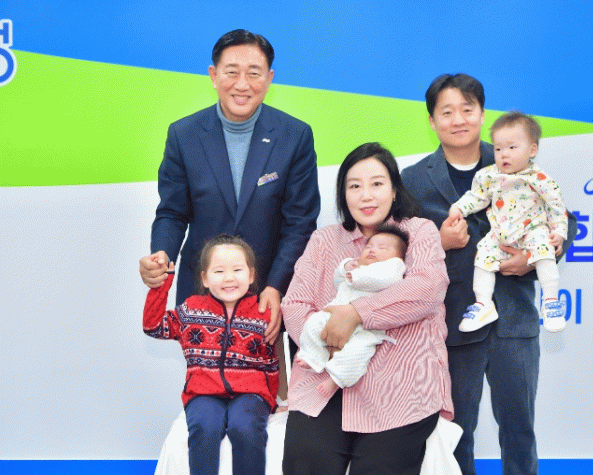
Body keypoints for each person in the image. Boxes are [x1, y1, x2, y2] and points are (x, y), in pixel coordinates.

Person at [401, 74, 578, 475]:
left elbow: (563, 219)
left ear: (482, 114)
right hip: (452, 322)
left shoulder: (511, 155)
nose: (458, 120)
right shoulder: (412, 179)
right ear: (431, 121)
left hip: (514, 319)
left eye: (467, 109)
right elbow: (399, 246)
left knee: (519, 430)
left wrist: (532, 258)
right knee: (455, 433)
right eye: (447, 112)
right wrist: (438, 242)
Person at [138, 30, 320, 371]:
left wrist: (276, 286)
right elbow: (172, 212)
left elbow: (300, 224)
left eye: (254, 73)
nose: (242, 84)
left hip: (266, 294)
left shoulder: (294, 136)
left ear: (269, 78)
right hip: (203, 293)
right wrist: (161, 255)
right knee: (206, 392)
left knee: (265, 393)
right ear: (213, 75)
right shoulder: (184, 134)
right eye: (232, 72)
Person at [281, 143, 453, 475]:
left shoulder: (419, 231)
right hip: (325, 379)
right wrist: (329, 340)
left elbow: (428, 288)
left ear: (394, 190)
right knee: (306, 465)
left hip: (400, 386)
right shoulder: (324, 240)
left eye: (377, 183)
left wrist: (356, 313)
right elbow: (295, 304)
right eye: (354, 186)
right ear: (343, 194)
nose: (366, 196)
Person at [143, 234, 278, 475]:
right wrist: (161, 286)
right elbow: (153, 326)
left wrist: (271, 400)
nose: (229, 278)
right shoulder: (191, 310)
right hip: (203, 394)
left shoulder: (263, 314)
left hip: (250, 394)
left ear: (251, 275)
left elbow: (271, 363)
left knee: (245, 427)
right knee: (205, 427)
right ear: (205, 278)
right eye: (219, 271)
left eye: (237, 269)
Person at [449, 111, 568, 334]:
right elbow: (477, 197)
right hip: (500, 233)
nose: (504, 154)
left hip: (532, 230)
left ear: (532, 150)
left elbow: (556, 207)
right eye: (498, 149)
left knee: (544, 251)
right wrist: (459, 208)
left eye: (512, 147)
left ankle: (551, 301)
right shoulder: (488, 176)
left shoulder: (540, 178)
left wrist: (559, 232)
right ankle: (484, 303)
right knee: (483, 256)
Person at [295, 224, 408, 397]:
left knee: (358, 352)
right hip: (334, 315)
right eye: (369, 247)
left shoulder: (394, 267)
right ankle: (313, 357)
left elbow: (383, 279)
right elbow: (339, 282)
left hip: (366, 328)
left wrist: (357, 276)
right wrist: (345, 268)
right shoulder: (357, 269)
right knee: (313, 323)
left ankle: (336, 380)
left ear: (398, 256)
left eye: (382, 248)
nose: (372, 250)